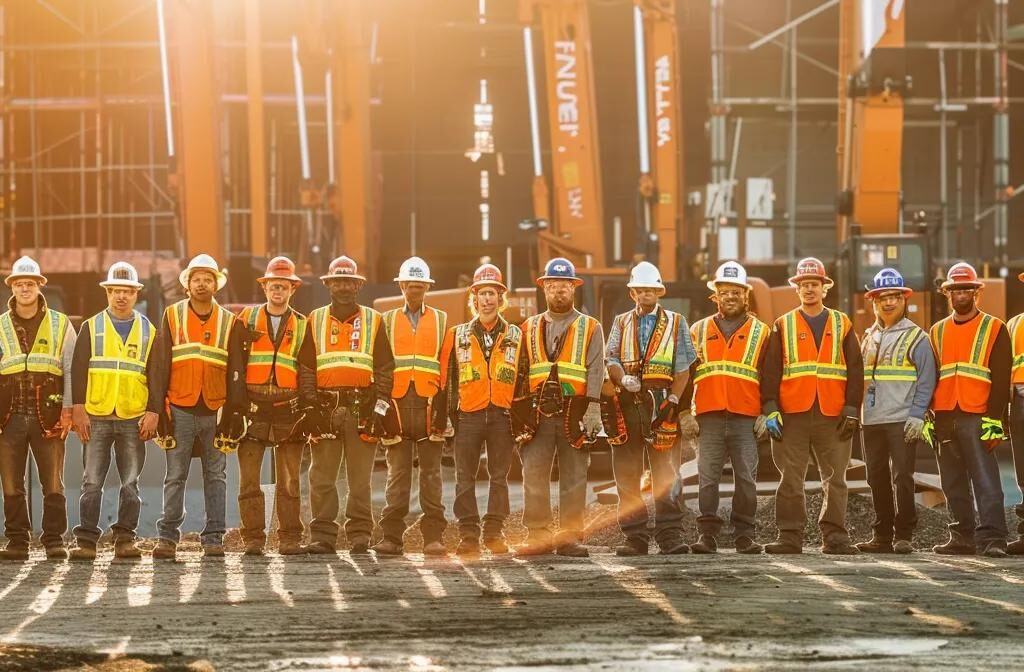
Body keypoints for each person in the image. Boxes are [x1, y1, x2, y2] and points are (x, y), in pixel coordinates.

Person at [760, 257, 864, 555]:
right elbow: (771, 370)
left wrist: (851, 409)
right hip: (792, 414)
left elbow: (855, 369)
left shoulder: (842, 323)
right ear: (797, 289)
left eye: (814, 285)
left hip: (833, 413)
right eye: (804, 285)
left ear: (824, 289)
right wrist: (770, 408)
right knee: (790, 477)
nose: (809, 290)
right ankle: (790, 537)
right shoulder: (783, 324)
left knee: (836, 478)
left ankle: (835, 538)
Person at [147, 253, 247, 559]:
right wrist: (157, 407)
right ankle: (167, 538)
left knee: (215, 476)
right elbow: (160, 364)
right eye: (196, 279)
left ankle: (214, 537)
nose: (201, 284)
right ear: (187, 284)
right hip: (179, 407)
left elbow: (236, 369)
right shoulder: (172, 315)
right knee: (175, 476)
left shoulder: (230, 322)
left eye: (207, 279)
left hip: (215, 410)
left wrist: (234, 411)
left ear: (216, 284)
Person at [305, 256, 395, 555]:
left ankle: (360, 535)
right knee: (321, 478)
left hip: (362, 409)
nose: (343, 287)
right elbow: (305, 368)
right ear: (329, 285)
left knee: (360, 480)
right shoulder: (314, 319)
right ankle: (322, 536)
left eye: (348, 282)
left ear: (358, 286)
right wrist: (311, 410)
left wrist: (379, 408)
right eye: (338, 282)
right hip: (327, 409)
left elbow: (384, 367)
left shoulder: (374, 320)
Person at [515, 257, 605, 558]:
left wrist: (593, 408)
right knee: (534, 474)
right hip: (538, 414)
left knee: (575, 476)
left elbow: (596, 369)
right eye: (552, 286)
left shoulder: (590, 327)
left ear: (573, 288)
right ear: (544, 289)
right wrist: (519, 413)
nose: (558, 292)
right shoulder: (528, 327)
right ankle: (538, 536)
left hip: (575, 411)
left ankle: (569, 538)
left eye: (564, 286)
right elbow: (520, 371)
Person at [605, 261, 695, 556]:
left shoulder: (676, 322)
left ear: (660, 291)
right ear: (632, 293)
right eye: (639, 290)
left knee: (666, 473)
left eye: (650, 290)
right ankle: (635, 537)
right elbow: (612, 359)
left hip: (662, 406)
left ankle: (670, 535)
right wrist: (623, 378)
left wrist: (673, 402)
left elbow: (683, 368)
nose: (645, 294)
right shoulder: (620, 322)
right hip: (628, 405)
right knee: (627, 475)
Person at [68, 262, 157, 560]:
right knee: (91, 481)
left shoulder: (148, 330)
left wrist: (153, 411)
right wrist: (78, 409)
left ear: (136, 294)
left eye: (127, 291)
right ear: (107, 292)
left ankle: (124, 540)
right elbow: (78, 369)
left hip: (133, 415)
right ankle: (86, 542)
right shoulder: (91, 327)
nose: (121, 296)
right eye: (116, 291)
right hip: (97, 415)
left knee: (130, 483)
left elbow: (156, 374)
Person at [439, 264, 523, 556]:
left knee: (499, 477)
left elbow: (522, 377)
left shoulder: (515, 334)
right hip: (468, 415)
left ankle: (494, 533)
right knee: (465, 477)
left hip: (502, 415)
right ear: (473, 298)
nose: (487, 299)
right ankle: (468, 536)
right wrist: (447, 418)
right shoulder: (457, 334)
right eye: (482, 293)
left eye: (493, 293)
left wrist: (520, 417)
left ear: (501, 298)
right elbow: (447, 379)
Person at [236, 256, 316, 556]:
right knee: (248, 480)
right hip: (253, 408)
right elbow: (236, 364)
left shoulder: (302, 325)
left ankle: (290, 538)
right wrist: (235, 405)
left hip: (288, 408)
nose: (277, 291)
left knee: (290, 480)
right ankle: (253, 539)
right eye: (273, 286)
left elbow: (307, 368)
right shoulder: (246, 318)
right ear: (265, 287)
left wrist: (309, 407)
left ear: (292, 289)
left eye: (283, 286)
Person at [929, 262, 1010, 558]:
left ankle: (994, 539)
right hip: (945, 415)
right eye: (955, 289)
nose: (961, 293)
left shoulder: (994, 328)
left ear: (976, 292)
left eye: (966, 288)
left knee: (985, 479)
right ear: (947, 293)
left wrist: (994, 420)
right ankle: (962, 536)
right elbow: (930, 377)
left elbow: (1001, 379)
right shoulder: (936, 331)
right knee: (952, 481)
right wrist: (929, 415)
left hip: (978, 415)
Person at [688, 261, 769, 555]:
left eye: (736, 291)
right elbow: (686, 376)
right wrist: (687, 412)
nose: (731, 296)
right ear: (715, 296)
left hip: (745, 418)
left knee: (746, 479)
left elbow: (769, 377)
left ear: (745, 295)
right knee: (707, 479)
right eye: (725, 291)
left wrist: (766, 412)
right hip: (708, 417)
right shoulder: (697, 330)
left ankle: (744, 536)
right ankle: (706, 536)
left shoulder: (762, 332)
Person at [0, 256, 76, 561]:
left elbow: (70, 369)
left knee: (53, 483)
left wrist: (68, 410)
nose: (24, 289)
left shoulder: (60, 324)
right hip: (8, 417)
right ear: (12, 288)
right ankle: (17, 541)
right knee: (11, 484)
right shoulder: (1, 326)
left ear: (39, 286)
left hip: (50, 416)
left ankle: (54, 540)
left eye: (29, 283)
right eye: (19, 284)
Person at [856, 269, 936, 555]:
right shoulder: (868, 337)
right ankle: (882, 536)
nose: (888, 302)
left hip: (902, 420)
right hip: (872, 420)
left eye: (894, 297)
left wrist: (917, 415)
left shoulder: (918, 338)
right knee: (875, 477)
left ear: (903, 299)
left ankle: (903, 535)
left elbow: (927, 380)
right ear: (873, 302)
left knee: (902, 477)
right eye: (882, 297)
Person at [374, 257, 449, 557]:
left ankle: (433, 538)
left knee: (432, 477)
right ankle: (392, 538)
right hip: (397, 405)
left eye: (420, 285)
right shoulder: (386, 320)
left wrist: (445, 409)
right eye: (410, 285)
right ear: (402, 286)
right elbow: (379, 367)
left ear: (427, 287)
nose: (415, 289)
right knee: (398, 476)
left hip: (431, 405)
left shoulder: (442, 320)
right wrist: (381, 411)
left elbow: (447, 367)